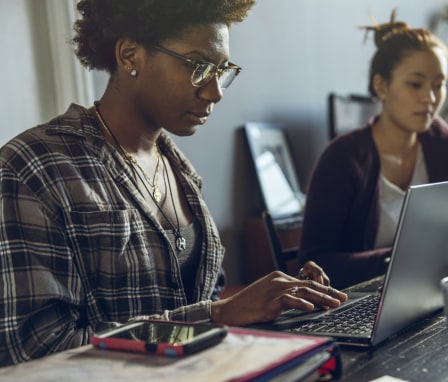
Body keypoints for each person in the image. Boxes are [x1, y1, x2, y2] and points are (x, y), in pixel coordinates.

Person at [0, 0, 347, 366]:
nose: (216, 92)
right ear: (130, 55)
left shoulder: (179, 171)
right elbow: (36, 349)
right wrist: (217, 315)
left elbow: (202, 304)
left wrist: (279, 299)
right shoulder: (34, 168)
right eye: (198, 67)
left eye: (222, 70)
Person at [298, 11, 448, 290]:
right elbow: (313, 262)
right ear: (381, 85)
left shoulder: (443, 145)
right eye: (415, 84)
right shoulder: (343, 159)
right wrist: (396, 260)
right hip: (359, 302)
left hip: (433, 294)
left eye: (439, 86)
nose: (430, 98)